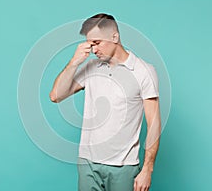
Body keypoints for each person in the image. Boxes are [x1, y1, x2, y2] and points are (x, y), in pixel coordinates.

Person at [49, 13, 161, 191]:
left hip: (124, 166)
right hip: (88, 164)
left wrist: (147, 169)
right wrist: (74, 62)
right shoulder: (90, 67)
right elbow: (55, 95)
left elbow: (154, 124)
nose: (93, 50)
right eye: (90, 44)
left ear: (114, 37)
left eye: (97, 43)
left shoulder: (143, 71)